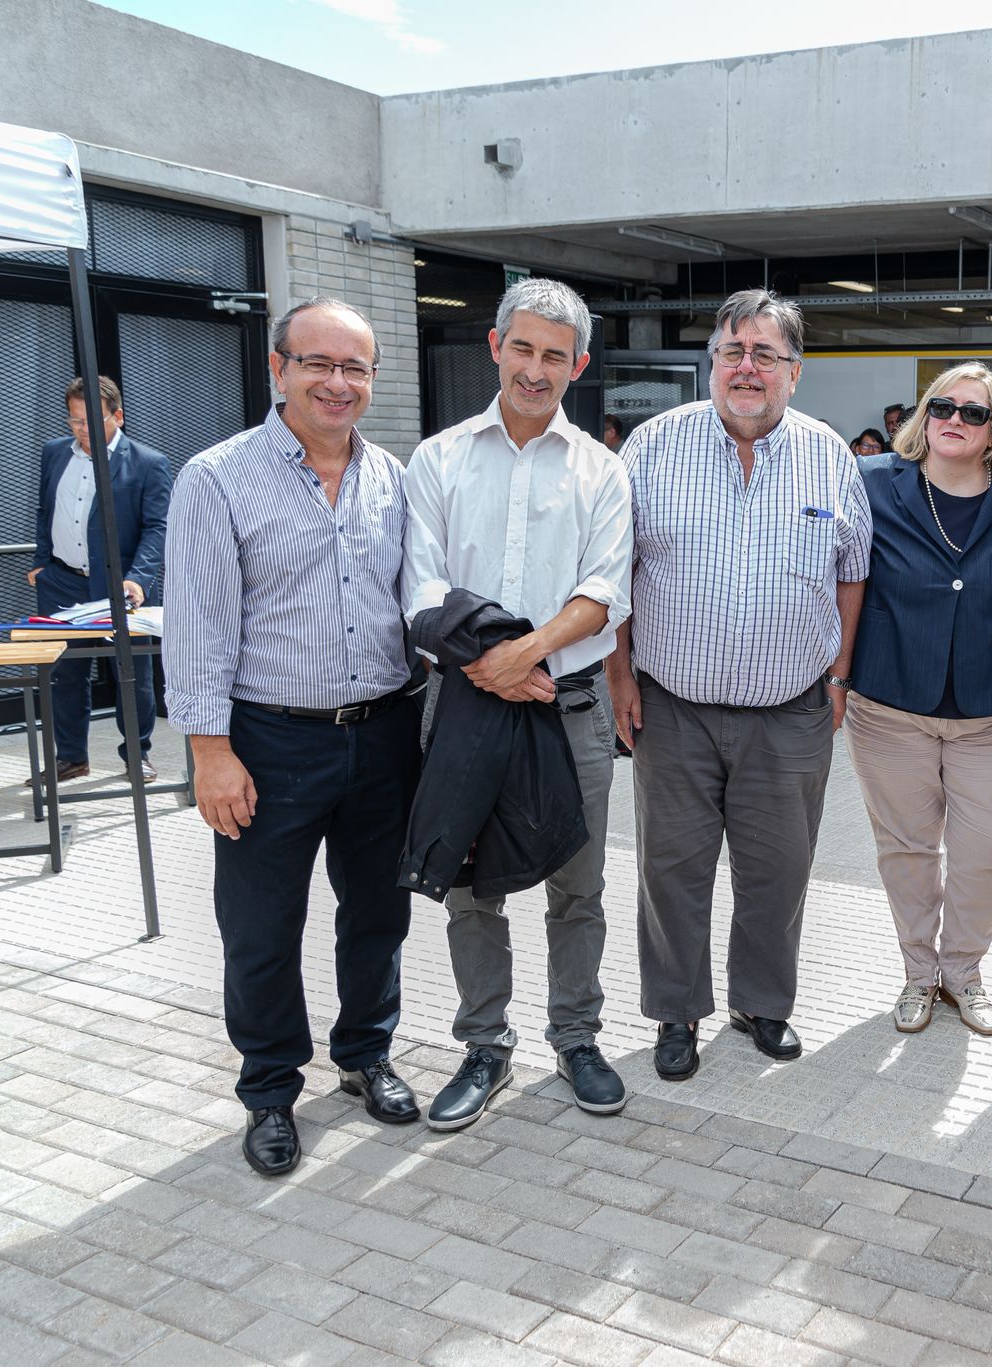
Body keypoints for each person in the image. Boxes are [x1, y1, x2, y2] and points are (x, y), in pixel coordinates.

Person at [165, 298, 423, 1177]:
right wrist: (210, 750)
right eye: (319, 364)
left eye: (356, 368)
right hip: (268, 742)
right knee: (262, 925)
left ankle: (364, 1054)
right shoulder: (217, 477)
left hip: (384, 734)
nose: (338, 383)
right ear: (279, 369)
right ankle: (270, 1089)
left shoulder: (392, 476)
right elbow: (197, 625)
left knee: (378, 914)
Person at [607, 290, 872, 1080]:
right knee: (672, 869)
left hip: (790, 710)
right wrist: (619, 673)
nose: (745, 367)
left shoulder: (830, 455)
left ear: (795, 371)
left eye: (764, 354)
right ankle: (675, 1012)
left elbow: (853, 574)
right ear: (712, 363)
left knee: (779, 869)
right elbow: (612, 569)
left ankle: (762, 1002)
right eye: (732, 352)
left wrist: (839, 674)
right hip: (672, 707)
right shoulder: (653, 446)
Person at [402, 279, 633, 1127]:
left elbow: (606, 588)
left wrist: (522, 654)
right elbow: (420, 584)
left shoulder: (603, 469)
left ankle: (575, 1036)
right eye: (523, 348)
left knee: (580, 885)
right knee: (470, 887)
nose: (537, 369)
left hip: (568, 705)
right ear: (495, 347)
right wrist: (483, 666)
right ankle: (484, 1045)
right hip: (461, 705)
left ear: (578, 364)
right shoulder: (439, 459)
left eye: (555, 355)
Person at [846, 364, 992, 1037]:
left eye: (973, 411)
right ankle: (918, 974)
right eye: (943, 407)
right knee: (905, 849)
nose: (955, 420)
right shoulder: (873, 483)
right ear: (922, 417)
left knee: (986, 851)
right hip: (891, 703)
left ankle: (964, 972)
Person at [27, 377, 171, 783]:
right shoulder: (54, 453)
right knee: (63, 674)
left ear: (118, 416)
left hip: (122, 589)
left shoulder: (147, 463)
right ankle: (71, 757)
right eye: (74, 421)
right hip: (62, 583)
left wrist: (139, 579)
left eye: (91, 420)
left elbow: (157, 528)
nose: (82, 430)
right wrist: (42, 563)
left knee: (132, 675)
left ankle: (136, 756)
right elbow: (45, 510)